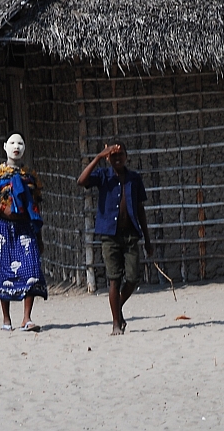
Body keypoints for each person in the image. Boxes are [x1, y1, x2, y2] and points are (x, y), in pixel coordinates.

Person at [77, 140, 153, 335]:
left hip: (130, 235)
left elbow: (140, 209)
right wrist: (98, 157)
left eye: (120, 155)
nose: (117, 158)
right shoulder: (103, 176)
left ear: (126, 156)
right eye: (113, 156)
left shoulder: (134, 179)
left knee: (133, 278)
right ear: (109, 158)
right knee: (114, 280)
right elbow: (81, 181)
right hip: (109, 236)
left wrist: (147, 239)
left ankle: (117, 309)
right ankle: (116, 323)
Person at [0, 132, 47, 332]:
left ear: (24, 148)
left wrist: (39, 235)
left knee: (32, 269)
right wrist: (2, 208)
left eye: (20, 143)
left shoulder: (31, 176)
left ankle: (26, 318)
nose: (16, 146)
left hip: (26, 227)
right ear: (5, 147)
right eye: (12, 143)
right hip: (4, 227)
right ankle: (6, 318)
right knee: (5, 271)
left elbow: (36, 205)